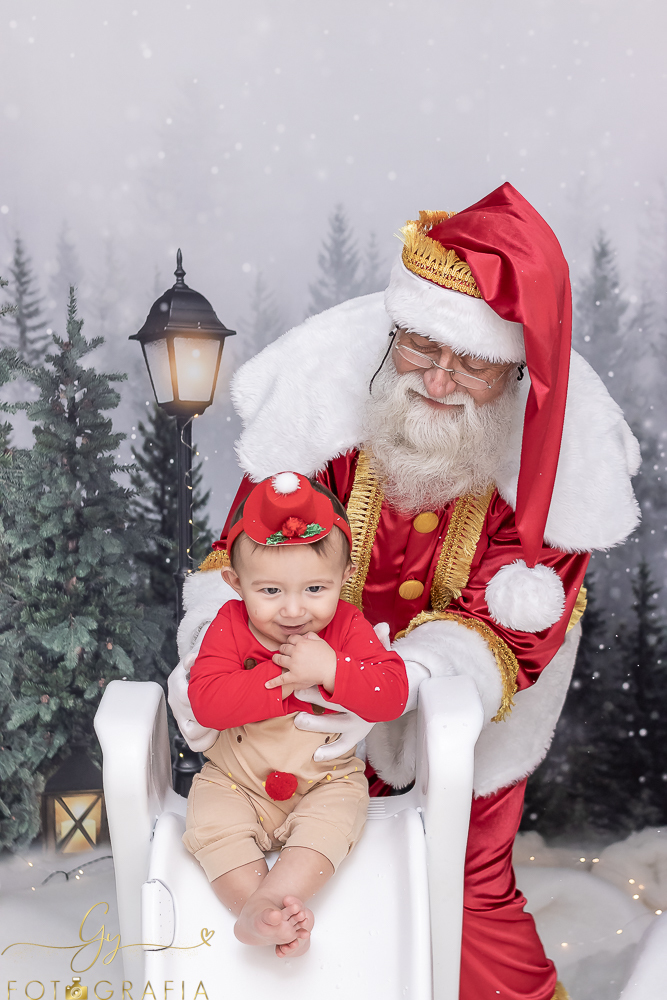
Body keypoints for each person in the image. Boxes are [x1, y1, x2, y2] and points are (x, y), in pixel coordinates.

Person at [168, 183, 640, 1000]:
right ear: (397, 332)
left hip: (463, 708)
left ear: (516, 372)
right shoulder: (324, 409)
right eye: (423, 349)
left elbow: (512, 633)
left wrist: (383, 685)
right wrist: (215, 659)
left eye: (474, 365)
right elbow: (237, 558)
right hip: (289, 678)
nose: (440, 380)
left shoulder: (560, 465)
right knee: (262, 844)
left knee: (462, 877)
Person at [181, 471, 408, 959]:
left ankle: (276, 901)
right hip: (235, 779)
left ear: (345, 578)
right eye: (269, 592)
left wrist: (333, 669)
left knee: (335, 819)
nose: (292, 610)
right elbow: (208, 702)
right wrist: (289, 684)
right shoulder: (228, 624)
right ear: (235, 582)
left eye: (313, 589)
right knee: (211, 823)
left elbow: (390, 694)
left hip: (325, 780)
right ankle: (257, 911)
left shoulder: (347, 626)